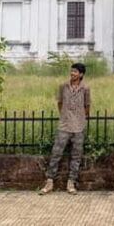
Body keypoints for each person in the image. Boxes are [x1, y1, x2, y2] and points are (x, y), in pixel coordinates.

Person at [40, 62, 91, 195]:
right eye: (71, 71)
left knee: (76, 156)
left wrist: (81, 117)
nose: (72, 73)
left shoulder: (85, 88)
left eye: (75, 72)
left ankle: (71, 182)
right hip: (64, 125)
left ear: (81, 74)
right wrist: (65, 115)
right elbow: (60, 103)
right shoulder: (63, 87)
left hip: (78, 127)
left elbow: (87, 105)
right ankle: (49, 181)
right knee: (56, 153)